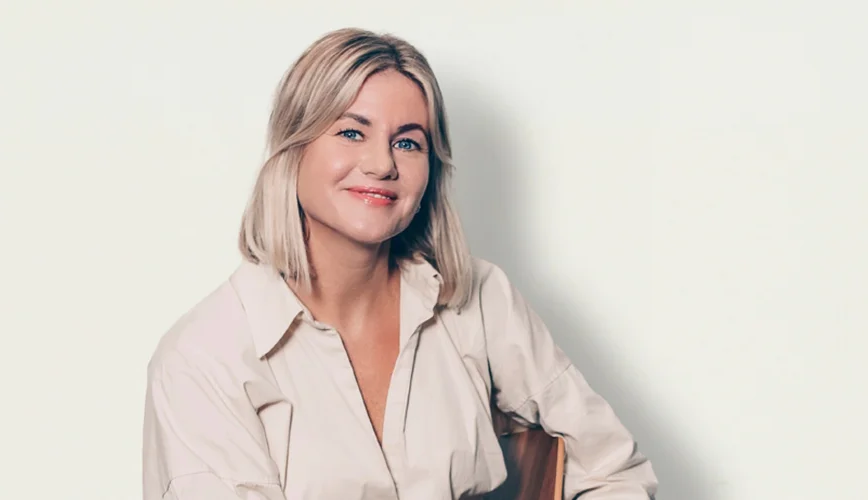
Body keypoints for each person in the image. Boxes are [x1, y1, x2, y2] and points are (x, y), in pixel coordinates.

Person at [142, 27, 658, 500]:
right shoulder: (202, 359)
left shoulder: (479, 299)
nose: (382, 164)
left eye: (408, 142)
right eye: (351, 132)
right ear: (293, 148)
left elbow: (614, 471)